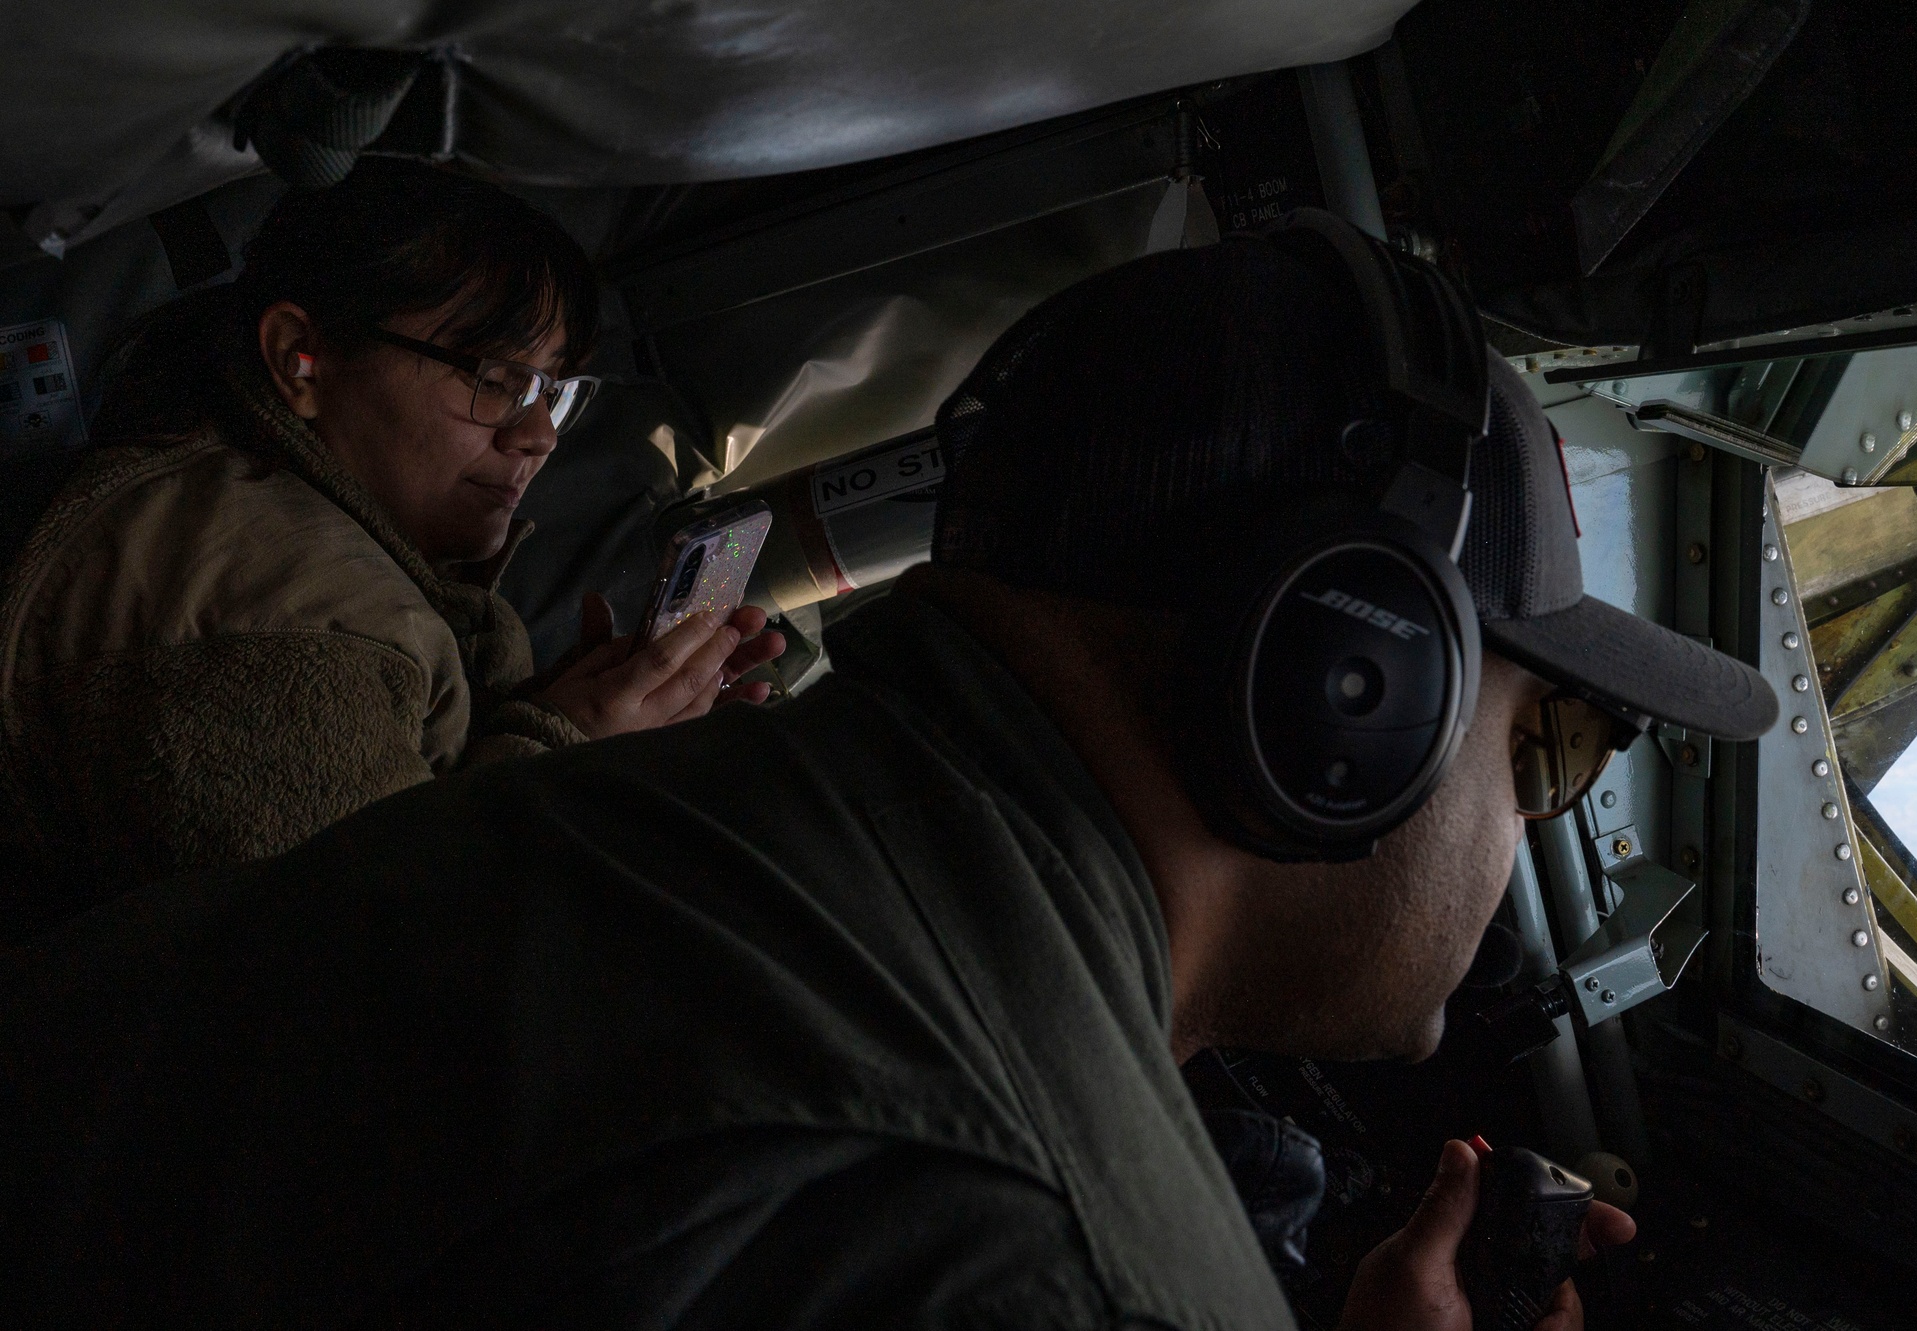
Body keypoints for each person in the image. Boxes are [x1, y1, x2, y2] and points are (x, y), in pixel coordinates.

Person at [0, 217, 1779, 1329]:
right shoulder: (1020, 1251)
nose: (1534, 818)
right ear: (1347, 686)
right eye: (1541, 742)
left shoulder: (744, 834)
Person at [0, 162, 783, 928]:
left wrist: (552, 719)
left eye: (555, 390)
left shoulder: (275, 543)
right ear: (299, 359)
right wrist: (564, 752)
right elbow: (374, 979)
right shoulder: (278, 609)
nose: (540, 434)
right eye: (496, 377)